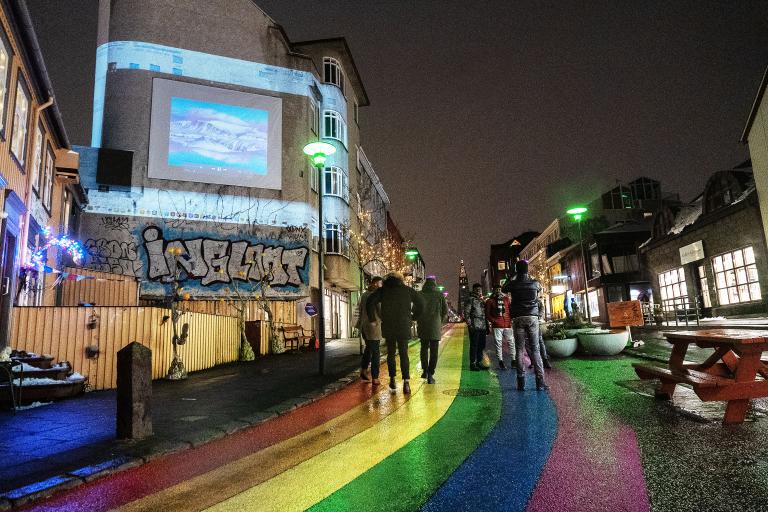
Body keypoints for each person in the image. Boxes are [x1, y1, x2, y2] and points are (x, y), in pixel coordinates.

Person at [367, 272, 424, 394]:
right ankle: (406, 382)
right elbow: (421, 303)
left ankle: (392, 379)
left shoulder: (383, 290)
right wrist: (413, 316)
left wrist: (372, 319)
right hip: (403, 325)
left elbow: (370, 301)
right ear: (400, 279)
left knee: (391, 353)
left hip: (389, 325)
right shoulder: (407, 290)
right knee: (404, 353)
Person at [503, 260, 548, 391]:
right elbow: (539, 290)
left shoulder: (513, 284)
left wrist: (511, 276)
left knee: (520, 350)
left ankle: (521, 382)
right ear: (527, 269)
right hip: (532, 317)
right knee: (535, 349)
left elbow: (503, 288)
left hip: (518, 318)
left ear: (517, 270)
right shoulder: (535, 283)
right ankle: (540, 383)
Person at [417, 277, 448, 384]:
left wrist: (418, 318)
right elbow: (445, 311)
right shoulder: (439, 295)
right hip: (435, 325)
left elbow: (414, 310)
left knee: (424, 348)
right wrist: (440, 322)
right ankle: (431, 373)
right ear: (435, 284)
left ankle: (425, 370)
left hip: (422, 324)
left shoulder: (420, 294)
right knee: (434, 350)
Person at [355, 276, 383, 385]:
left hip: (364, 326)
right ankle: (375, 377)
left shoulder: (364, 295)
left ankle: (363, 369)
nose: (382, 286)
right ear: (376, 284)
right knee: (376, 352)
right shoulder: (375, 295)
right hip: (373, 326)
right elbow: (380, 310)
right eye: (381, 284)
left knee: (369, 349)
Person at [485, 284, 514, 370]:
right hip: (497, 325)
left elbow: (510, 310)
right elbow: (487, 314)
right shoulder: (490, 301)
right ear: (493, 290)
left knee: (511, 342)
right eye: (496, 289)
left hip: (507, 324)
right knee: (498, 344)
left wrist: (510, 320)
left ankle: (514, 360)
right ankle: (501, 361)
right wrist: (494, 321)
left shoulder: (506, 299)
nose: (498, 291)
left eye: (499, 289)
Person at [463, 283, 488, 371]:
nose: (479, 291)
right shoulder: (471, 300)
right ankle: (472, 363)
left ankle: (479, 362)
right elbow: (466, 313)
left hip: (483, 326)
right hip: (474, 326)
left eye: (480, 289)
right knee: (474, 345)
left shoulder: (482, 300)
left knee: (482, 345)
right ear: (473, 290)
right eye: (477, 289)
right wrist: (470, 325)